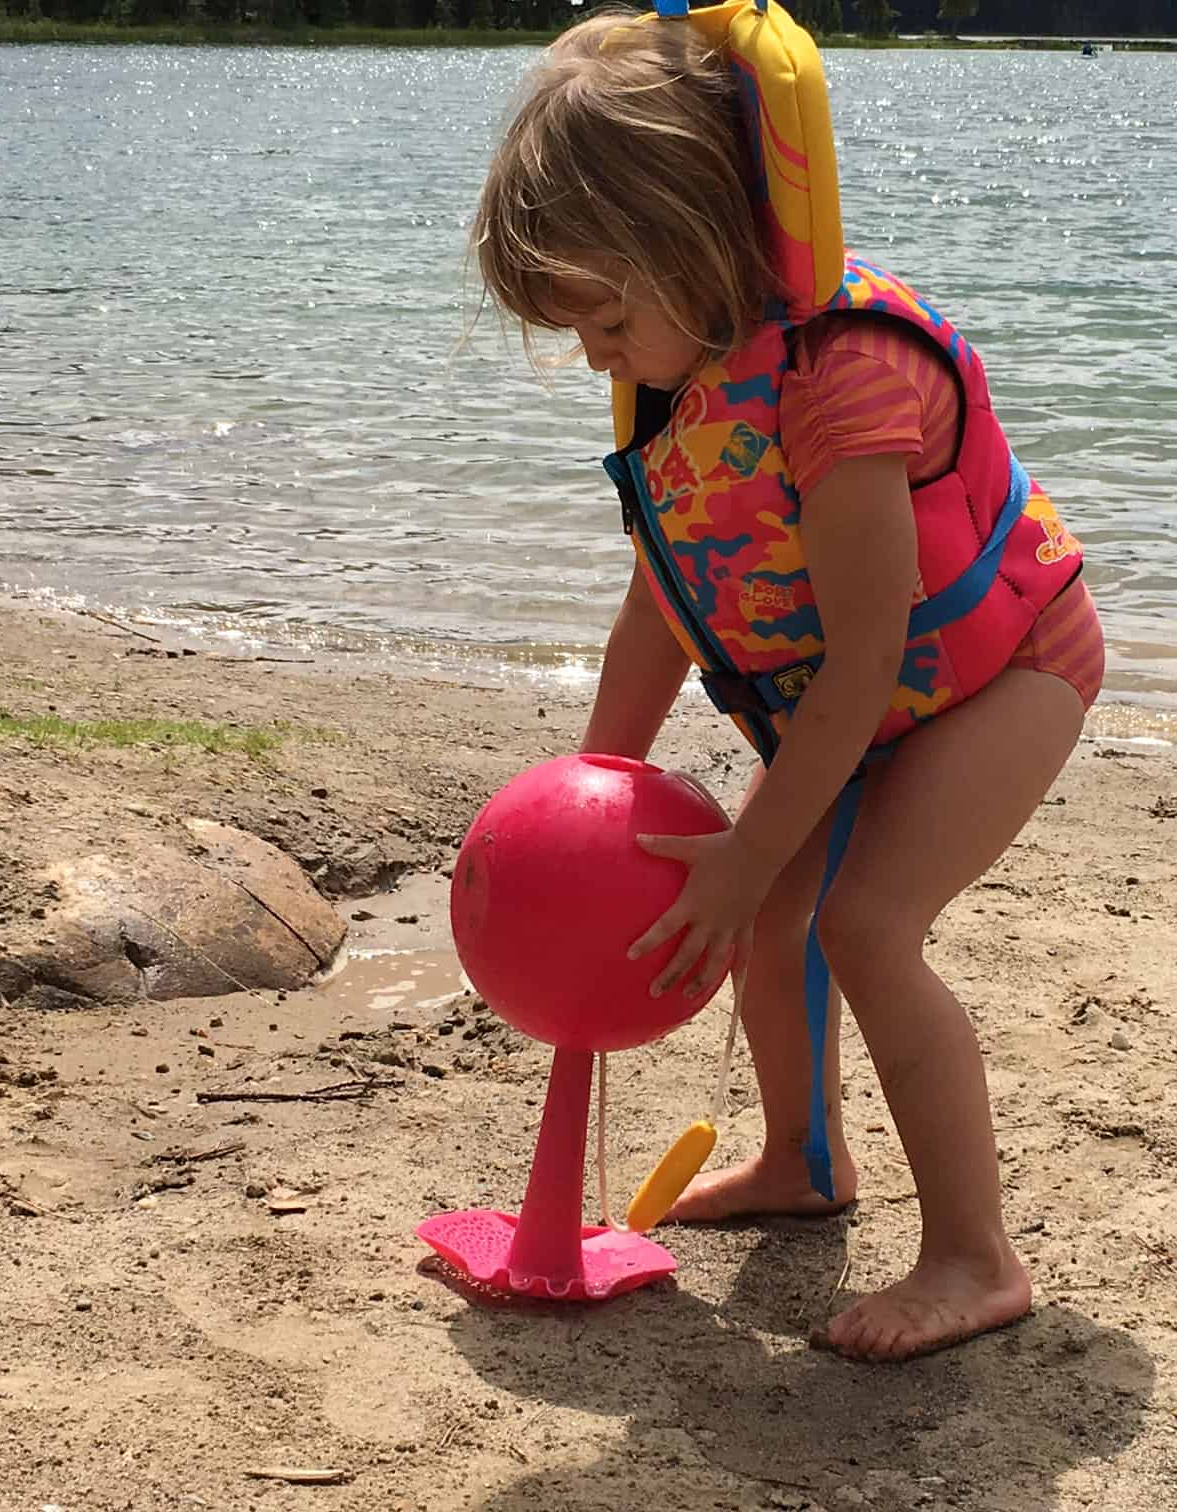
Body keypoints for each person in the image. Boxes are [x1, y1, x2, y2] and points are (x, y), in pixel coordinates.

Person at [469, 3, 1102, 1362]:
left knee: (862, 924)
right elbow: (669, 588)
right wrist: (602, 792)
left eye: (604, 319)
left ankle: (977, 1258)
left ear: (690, 249)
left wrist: (751, 852)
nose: (593, 357)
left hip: (1002, 677)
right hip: (856, 705)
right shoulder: (683, 376)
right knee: (770, 928)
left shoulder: (841, 381)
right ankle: (803, 1161)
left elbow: (872, 653)